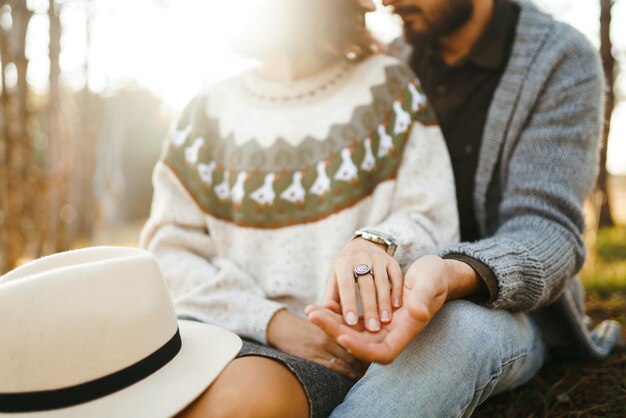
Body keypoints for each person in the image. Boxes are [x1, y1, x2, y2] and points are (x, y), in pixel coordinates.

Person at [140, 0, 459, 416]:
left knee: (241, 402)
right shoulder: (205, 114)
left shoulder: (387, 87)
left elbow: (430, 214)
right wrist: (269, 321)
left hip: (327, 353)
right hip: (215, 333)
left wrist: (375, 244)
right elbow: (168, 254)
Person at [306, 0, 622, 416]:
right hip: (388, 299)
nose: (386, 1)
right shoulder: (389, 63)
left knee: (456, 331)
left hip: (508, 307)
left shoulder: (560, 58)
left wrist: (454, 273)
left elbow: (549, 231)